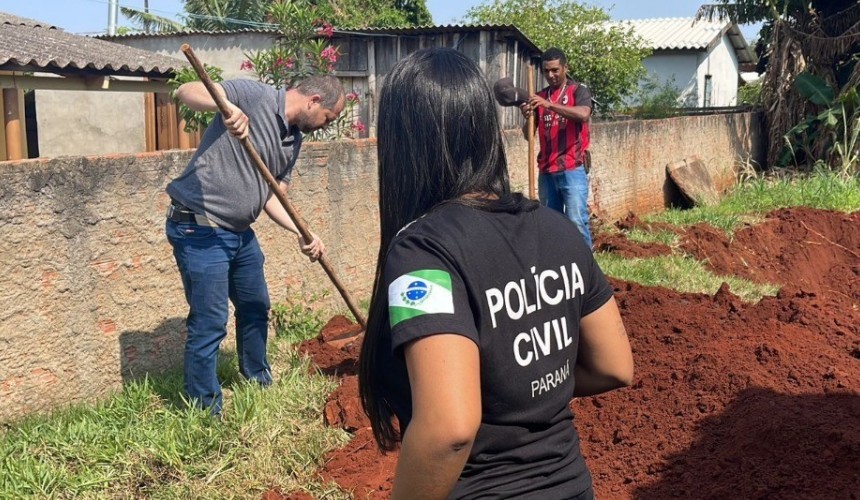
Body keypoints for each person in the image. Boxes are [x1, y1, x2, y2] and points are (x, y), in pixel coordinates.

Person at [359, 47, 634, 499]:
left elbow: (448, 430)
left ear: (402, 143)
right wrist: (516, 385)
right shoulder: (558, 229)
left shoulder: (423, 251)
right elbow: (613, 366)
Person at [165, 75, 345, 415]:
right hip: (199, 227)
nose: (325, 126)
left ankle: (257, 379)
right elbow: (185, 91)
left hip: (238, 232)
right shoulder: (254, 95)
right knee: (210, 322)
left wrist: (303, 233)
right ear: (314, 100)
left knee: (255, 306)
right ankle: (204, 410)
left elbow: (273, 197)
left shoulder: (292, 141)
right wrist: (227, 108)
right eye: (328, 118)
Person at [522, 47, 595, 248]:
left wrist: (549, 105)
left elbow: (583, 114)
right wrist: (527, 116)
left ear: (565, 68)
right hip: (546, 171)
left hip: (572, 167)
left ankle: (586, 269)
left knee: (577, 221)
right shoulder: (538, 97)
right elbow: (528, 135)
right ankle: (559, 266)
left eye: (555, 70)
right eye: (546, 71)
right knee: (550, 225)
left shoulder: (578, 90)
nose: (551, 75)